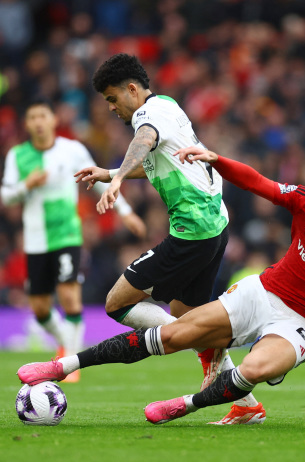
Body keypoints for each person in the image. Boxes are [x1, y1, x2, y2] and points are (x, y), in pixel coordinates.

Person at [17, 147, 305, 425]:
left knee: (259, 366)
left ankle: (189, 404)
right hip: (263, 291)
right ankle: (63, 367)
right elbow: (258, 183)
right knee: (177, 334)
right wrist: (216, 158)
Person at [73, 53, 263, 424]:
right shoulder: (168, 106)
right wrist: (109, 172)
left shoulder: (146, 118)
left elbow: (144, 141)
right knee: (184, 314)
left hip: (192, 233)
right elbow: (161, 162)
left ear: (131, 89)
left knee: (117, 303)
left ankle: (179, 339)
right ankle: (246, 403)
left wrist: (115, 180)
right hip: (213, 227)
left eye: (112, 98)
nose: (111, 107)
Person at [0, 98, 146, 383]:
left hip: (67, 235)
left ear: (54, 121)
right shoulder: (17, 155)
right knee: (41, 309)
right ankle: (65, 341)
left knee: (69, 296)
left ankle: (70, 361)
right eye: (33, 117)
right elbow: (6, 196)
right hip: (36, 241)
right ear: (27, 124)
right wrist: (25, 186)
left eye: (43, 116)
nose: (39, 122)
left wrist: (125, 212)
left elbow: (100, 181)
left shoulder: (72, 150)